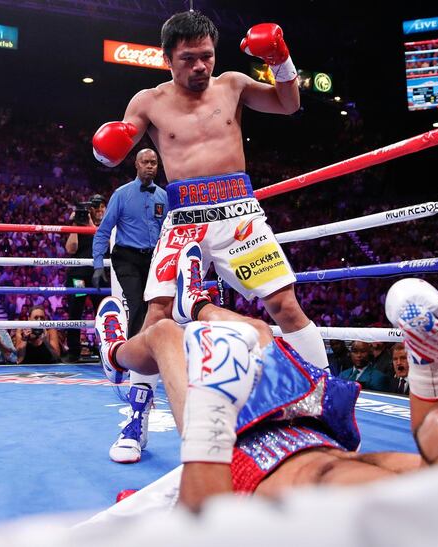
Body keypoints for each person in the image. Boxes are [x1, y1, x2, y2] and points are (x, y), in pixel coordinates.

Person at [95, 259, 438, 510]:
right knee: (259, 332)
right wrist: (428, 365)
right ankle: (197, 304)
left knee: (163, 336)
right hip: (307, 428)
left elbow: (210, 526)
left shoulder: (374, 506)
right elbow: (434, 435)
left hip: (238, 458)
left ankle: (116, 356)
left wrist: (212, 412)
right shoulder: (433, 484)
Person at [91, 11, 328, 461]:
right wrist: (107, 152)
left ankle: (319, 401)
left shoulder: (234, 84)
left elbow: (289, 103)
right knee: (157, 317)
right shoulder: (147, 101)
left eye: (207, 57)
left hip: (239, 211)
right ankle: (136, 418)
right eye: (189, 59)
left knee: (286, 305)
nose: (200, 67)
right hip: (184, 218)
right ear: (168, 59)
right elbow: (120, 150)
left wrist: (281, 59)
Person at [92, 149, 167, 338]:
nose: (150, 166)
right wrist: (98, 264)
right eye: (145, 162)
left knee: (155, 304)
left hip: (153, 259)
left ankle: (151, 349)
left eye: (153, 162)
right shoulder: (121, 194)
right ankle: (134, 353)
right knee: (136, 303)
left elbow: (168, 230)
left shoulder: (163, 196)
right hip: (126, 257)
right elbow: (104, 230)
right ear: (137, 164)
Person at [65, 194, 108, 363]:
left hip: (100, 275)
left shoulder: (108, 225)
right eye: (95, 207)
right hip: (79, 277)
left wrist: (90, 225)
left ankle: (106, 350)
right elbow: (70, 248)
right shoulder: (79, 223)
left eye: (102, 207)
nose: (99, 210)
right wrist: (76, 225)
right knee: (76, 310)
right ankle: (74, 352)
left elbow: (105, 244)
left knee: (104, 312)